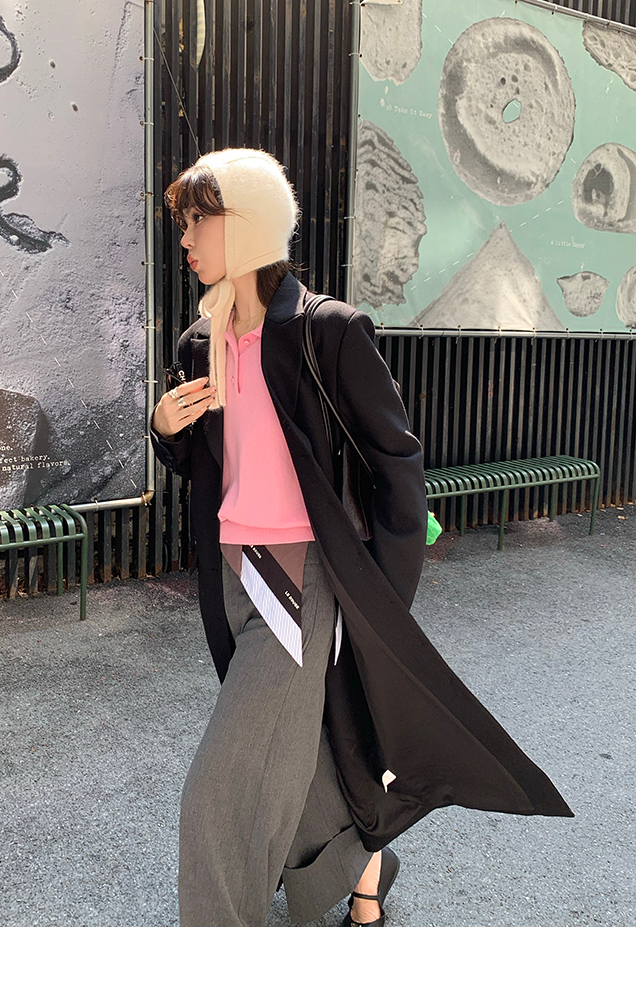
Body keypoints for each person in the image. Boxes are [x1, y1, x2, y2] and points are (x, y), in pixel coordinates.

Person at [150, 148, 573, 928]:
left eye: (198, 220)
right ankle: (366, 862)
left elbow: (396, 464)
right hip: (234, 575)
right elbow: (210, 464)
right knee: (301, 747)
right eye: (184, 223)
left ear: (248, 225)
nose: (185, 238)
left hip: (303, 579)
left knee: (221, 790)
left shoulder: (328, 332)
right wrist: (166, 429)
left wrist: (381, 595)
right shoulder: (200, 342)